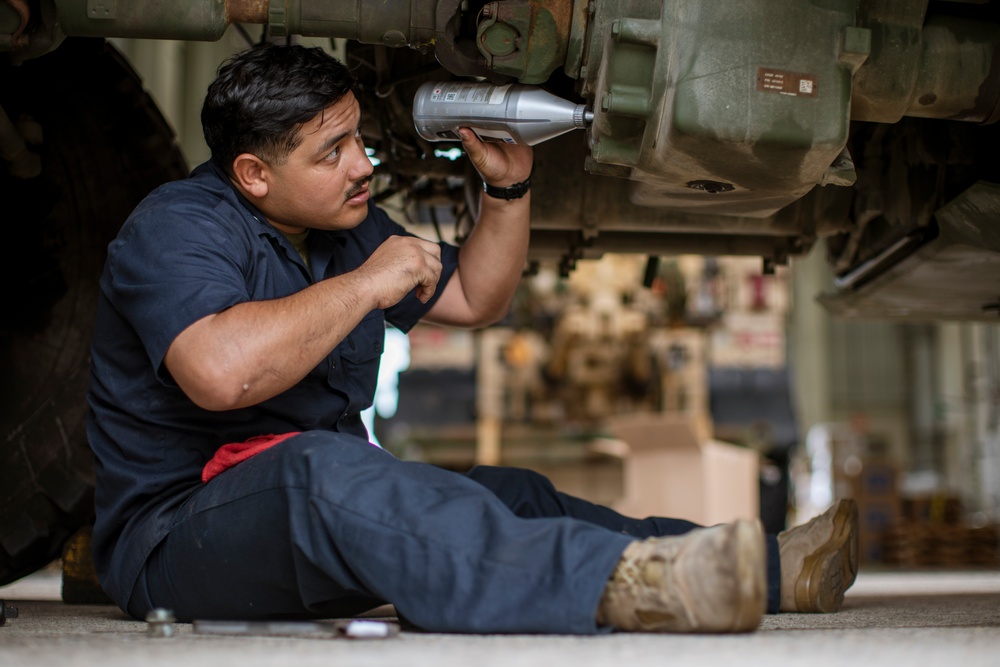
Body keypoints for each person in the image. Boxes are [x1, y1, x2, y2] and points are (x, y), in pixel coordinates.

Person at [86, 42, 859, 635]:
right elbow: (220, 372)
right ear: (254, 173)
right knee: (323, 473)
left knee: (508, 491)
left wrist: (508, 187)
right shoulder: (176, 229)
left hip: (313, 515)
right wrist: (367, 285)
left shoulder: (337, 226)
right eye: (333, 153)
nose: (363, 164)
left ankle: (764, 566)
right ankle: (626, 585)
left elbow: (474, 295)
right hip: (179, 536)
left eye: (357, 137)